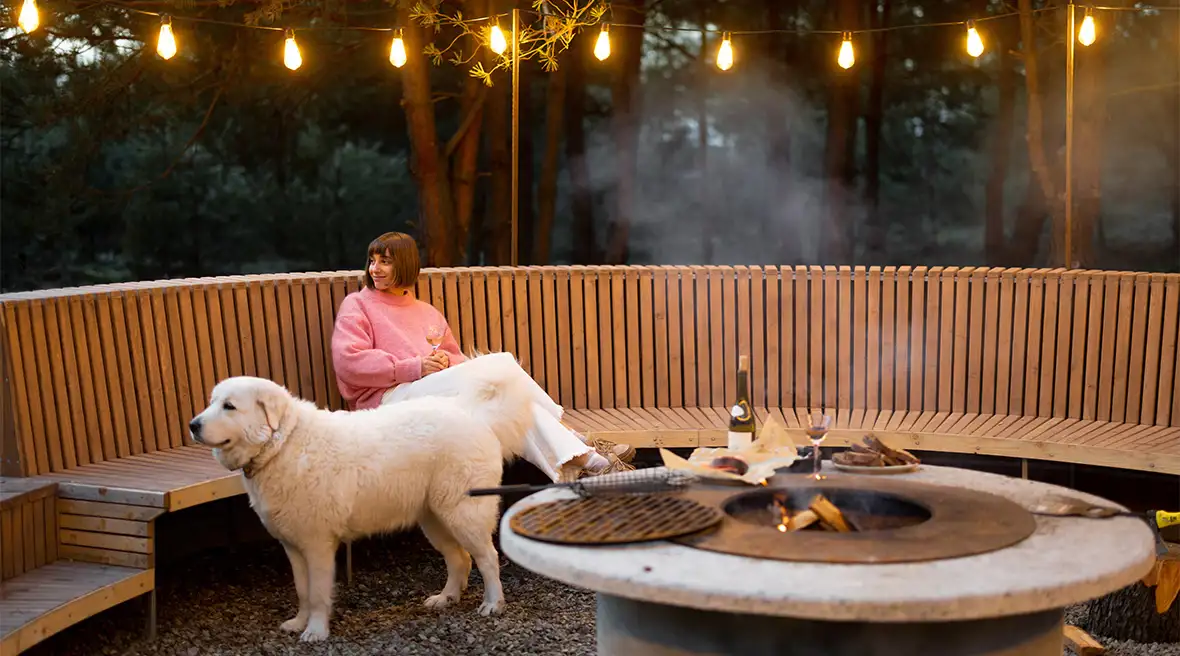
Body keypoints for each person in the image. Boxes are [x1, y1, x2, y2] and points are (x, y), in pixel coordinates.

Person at [330, 231, 635, 483]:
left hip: (435, 397)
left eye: (385, 262)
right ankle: (574, 436)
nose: (375, 269)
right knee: (500, 363)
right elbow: (348, 363)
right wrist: (413, 367)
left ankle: (588, 462)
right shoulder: (358, 305)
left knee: (508, 402)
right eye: (373, 261)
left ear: (407, 265)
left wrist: (444, 365)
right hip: (386, 401)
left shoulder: (425, 312)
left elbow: (458, 361)